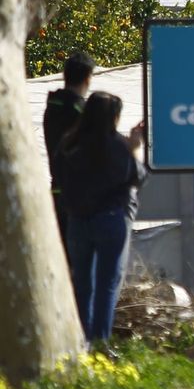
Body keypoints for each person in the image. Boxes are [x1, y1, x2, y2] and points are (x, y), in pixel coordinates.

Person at [57, 91, 147, 344]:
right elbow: (138, 177)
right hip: (109, 219)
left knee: (82, 284)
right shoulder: (115, 145)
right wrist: (135, 148)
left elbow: (59, 176)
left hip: (77, 220)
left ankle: (80, 342)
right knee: (106, 284)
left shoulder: (69, 143)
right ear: (113, 118)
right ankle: (100, 342)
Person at [43, 50, 93, 243]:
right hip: (81, 196)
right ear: (88, 78)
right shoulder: (83, 112)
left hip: (57, 189)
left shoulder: (52, 107)